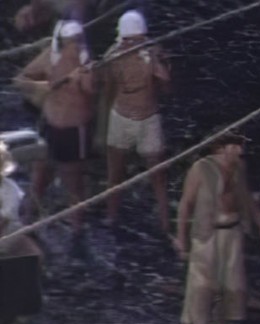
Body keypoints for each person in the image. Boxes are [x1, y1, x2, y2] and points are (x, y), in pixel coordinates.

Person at [173, 132, 260, 324]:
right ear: (220, 147)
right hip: (207, 232)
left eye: (241, 146)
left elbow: (247, 198)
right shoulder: (201, 168)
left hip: (232, 231)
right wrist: (181, 239)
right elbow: (186, 205)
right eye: (235, 146)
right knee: (200, 284)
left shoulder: (239, 168)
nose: (240, 150)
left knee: (229, 281)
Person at [12, 20, 96, 233]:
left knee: (73, 185)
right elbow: (20, 80)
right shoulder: (50, 57)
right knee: (38, 179)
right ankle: (26, 224)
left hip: (73, 132)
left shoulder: (86, 62)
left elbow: (92, 91)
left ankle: (77, 231)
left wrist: (83, 79)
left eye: (78, 41)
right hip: (49, 126)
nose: (75, 45)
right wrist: (39, 87)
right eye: (71, 42)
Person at [103, 10, 171, 232]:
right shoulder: (112, 55)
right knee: (115, 173)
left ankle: (164, 222)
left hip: (148, 119)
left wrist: (158, 65)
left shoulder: (153, 53)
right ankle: (111, 216)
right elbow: (109, 87)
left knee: (158, 175)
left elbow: (167, 87)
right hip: (121, 117)